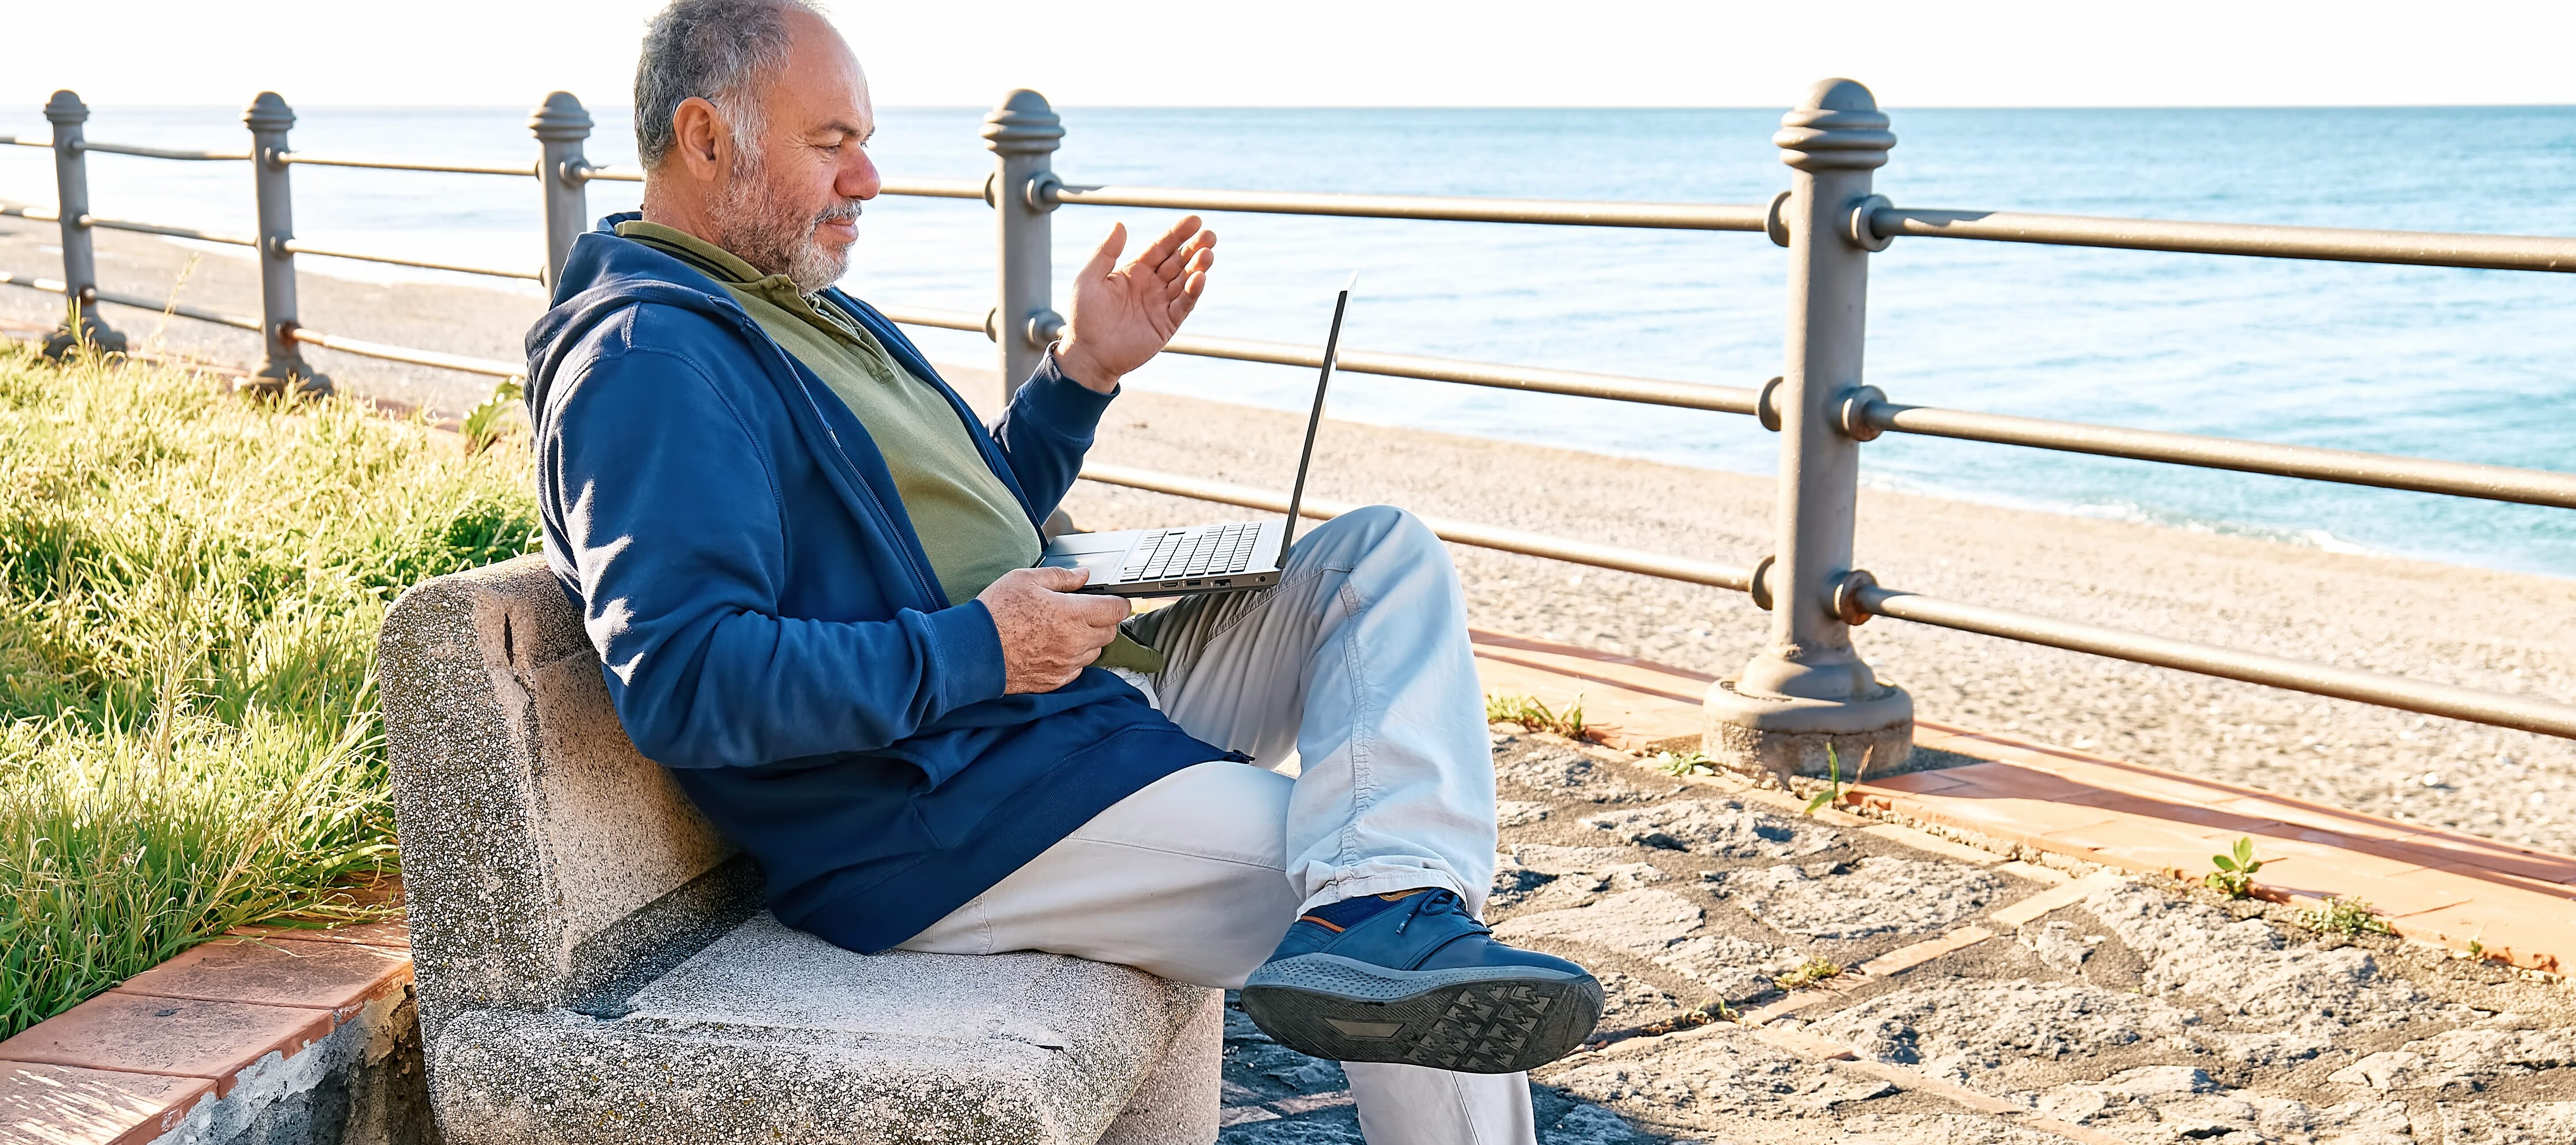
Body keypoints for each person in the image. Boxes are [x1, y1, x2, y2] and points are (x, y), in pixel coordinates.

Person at [524, 1, 1602, 1138]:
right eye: (832, 143)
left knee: (1378, 558)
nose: (870, 178)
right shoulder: (651, 361)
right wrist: (983, 647)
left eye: (865, 142)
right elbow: (687, 675)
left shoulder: (795, 312)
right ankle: (1387, 927)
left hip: (1053, 712)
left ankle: (1390, 911)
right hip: (946, 809)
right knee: (1388, 922)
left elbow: (953, 528)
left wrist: (1083, 372)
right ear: (705, 138)